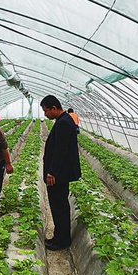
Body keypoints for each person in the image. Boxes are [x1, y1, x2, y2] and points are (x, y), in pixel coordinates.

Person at [40, 95, 81, 251]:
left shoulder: (64, 122)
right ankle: (59, 237)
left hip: (59, 175)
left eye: (46, 111)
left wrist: (52, 172)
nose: (45, 114)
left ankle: (62, 240)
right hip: (60, 173)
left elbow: (60, 151)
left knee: (59, 206)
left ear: (54, 108)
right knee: (58, 206)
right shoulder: (63, 120)